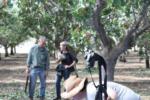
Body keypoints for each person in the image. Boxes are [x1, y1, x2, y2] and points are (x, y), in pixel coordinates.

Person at [61, 76, 141, 100]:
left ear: (79, 91)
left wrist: (110, 98)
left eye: (73, 95)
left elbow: (113, 95)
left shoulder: (91, 90)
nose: (73, 98)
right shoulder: (88, 93)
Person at [26, 36, 50, 100]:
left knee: (43, 84)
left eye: (45, 43)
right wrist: (27, 67)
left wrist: (47, 70)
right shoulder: (33, 48)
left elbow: (47, 61)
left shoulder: (46, 50)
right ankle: (31, 96)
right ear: (39, 41)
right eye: (43, 43)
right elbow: (29, 58)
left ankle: (42, 96)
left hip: (42, 69)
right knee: (32, 84)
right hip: (33, 68)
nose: (44, 44)